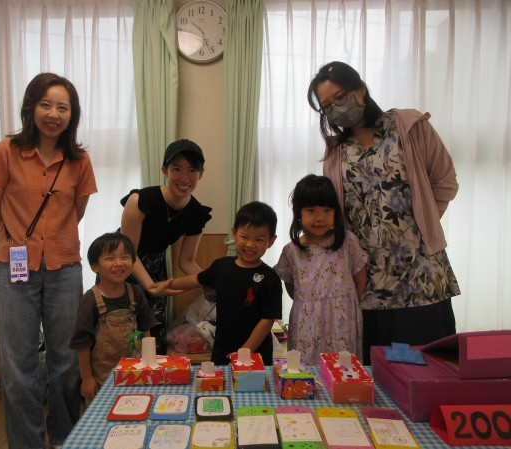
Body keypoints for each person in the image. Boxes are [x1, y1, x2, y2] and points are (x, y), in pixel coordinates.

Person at [307, 61, 460, 364]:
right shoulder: (336, 153)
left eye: (340, 97)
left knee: (428, 368)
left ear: (360, 90)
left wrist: (422, 226)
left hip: (421, 276)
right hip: (368, 285)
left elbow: (445, 182)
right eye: (327, 106)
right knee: (375, 374)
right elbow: (337, 214)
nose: (336, 108)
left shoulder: (408, 126)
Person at [0, 73, 97, 449]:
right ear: (31, 108)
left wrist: (50, 243)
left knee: (66, 362)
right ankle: (26, 443)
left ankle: (64, 438)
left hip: (65, 269)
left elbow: (76, 212)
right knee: (18, 366)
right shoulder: (6, 151)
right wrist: (16, 243)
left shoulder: (80, 160)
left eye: (63, 107)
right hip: (14, 269)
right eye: (46, 105)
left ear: (72, 115)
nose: (54, 114)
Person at [152, 201, 282, 366]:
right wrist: (164, 285)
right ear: (234, 233)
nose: (250, 244)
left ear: (271, 241)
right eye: (244, 237)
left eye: (259, 239)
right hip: (222, 351)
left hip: (255, 354)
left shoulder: (270, 278)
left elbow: (267, 321)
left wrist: (245, 352)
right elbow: (195, 279)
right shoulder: (221, 266)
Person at [120, 139, 212, 354]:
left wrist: (210, 281)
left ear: (201, 174)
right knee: (122, 334)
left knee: (153, 334)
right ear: (164, 171)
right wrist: (151, 287)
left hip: (156, 268)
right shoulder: (140, 201)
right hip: (122, 264)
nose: (185, 178)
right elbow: (128, 252)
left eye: (192, 170)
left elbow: (186, 261)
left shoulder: (196, 213)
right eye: (177, 169)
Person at [274, 174, 368, 365]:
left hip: (343, 322)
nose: (320, 218)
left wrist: (343, 303)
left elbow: (360, 280)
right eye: (311, 210)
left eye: (327, 210)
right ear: (298, 213)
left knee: (343, 370)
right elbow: (291, 287)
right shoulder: (291, 251)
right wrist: (310, 304)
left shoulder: (348, 242)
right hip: (306, 324)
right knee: (305, 369)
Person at [70, 232, 157, 404]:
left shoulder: (136, 293)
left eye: (125, 257)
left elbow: (146, 331)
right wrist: (87, 378)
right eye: (110, 258)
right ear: (95, 267)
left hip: (136, 372)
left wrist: (150, 364)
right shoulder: (90, 299)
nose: (119, 263)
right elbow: (82, 343)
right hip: (102, 378)